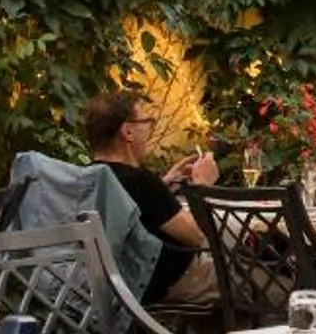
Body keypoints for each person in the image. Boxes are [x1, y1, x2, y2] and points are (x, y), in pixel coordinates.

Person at [83, 90, 218, 302]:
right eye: (146, 121)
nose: (148, 129)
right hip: (161, 284)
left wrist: (163, 185)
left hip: (112, 288)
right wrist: (203, 185)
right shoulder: (140, 181)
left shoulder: (89, 178)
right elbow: (197, 235)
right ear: (127, 132)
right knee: (270, 284)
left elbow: (128, 201)